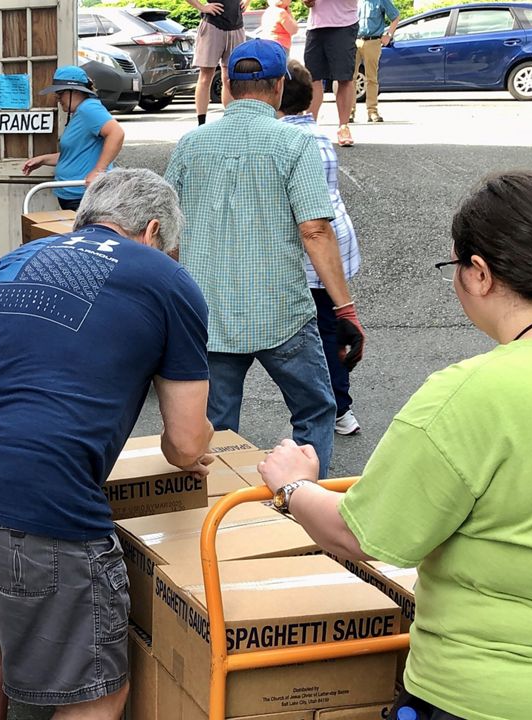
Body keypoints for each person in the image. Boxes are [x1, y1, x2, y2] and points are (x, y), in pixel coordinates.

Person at [257, 170, 532, 720]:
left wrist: (292, 485)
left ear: (479, 273)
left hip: (486, 693)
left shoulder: (474, 394)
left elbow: (363, 533)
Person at [0, 169, 215, 720]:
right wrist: (203, 448)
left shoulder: (14, 261)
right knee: (96, 691)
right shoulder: (167, 280)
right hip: (37, 495)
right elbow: (186, 444)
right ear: (151, 231)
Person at [165, 39, 365, 476]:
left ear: (228, 86)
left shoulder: (189, 145)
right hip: (282, 312)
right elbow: (315, 230)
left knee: (213, 430)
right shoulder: (293, 144)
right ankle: (305, 509)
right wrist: (345, 308)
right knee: (314, 409)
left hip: (209, 315)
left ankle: (218, 525)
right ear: (278, 86)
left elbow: (168, 234)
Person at [278, 60, 363, 436]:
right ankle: (342, 408)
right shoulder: (319, 136)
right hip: (335, 247)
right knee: (329, 328)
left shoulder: (283, 142)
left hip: (309, 253)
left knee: (317, 332)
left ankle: (332, 406)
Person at [22, 66, 125, 211]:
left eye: (60, 93)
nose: (57, 98)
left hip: (84, 197)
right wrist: (43, 159)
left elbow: (117, 133)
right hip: (72, 195)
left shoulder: (88, 109)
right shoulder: (79, 113)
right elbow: (76, 155)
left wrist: (98, 171)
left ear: (75, 91)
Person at [304, 0, 360, 146]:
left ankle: (343, 127)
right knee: (312, 78)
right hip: (315, 27)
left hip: (344, 25)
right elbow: (308, 4)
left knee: (344, 78)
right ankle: (310, 127)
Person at [184, 0, 247, 124]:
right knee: (206, 76)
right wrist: (201, 7)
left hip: (236, 25)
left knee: (231, 78)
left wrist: (247, 2)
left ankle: (232, 121)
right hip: (212, 26)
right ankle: (201, 123)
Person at [354, 0, 400, 123]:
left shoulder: (381, 1)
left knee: (371, 78)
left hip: (373, 41)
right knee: (350, 78)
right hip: (354, 41)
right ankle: (349, 112)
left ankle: (372, 112)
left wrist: (388, 35)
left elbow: (395, 16)